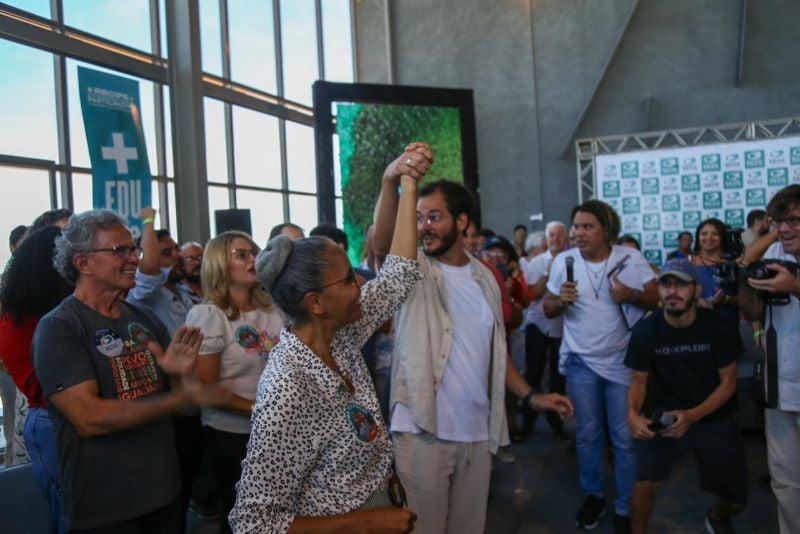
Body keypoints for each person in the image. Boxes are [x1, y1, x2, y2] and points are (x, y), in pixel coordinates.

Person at [373, 143, 573, 534]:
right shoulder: (414, 270)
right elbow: (382, 248)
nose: (424, 226)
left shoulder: (485, 278)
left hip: (477, 432)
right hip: (421, 430)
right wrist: (390, 182)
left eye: (434, 217)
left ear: (462, 221)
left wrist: (533, 396)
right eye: (419, 218)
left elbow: (496, 355)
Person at [228, 170, 424, 534]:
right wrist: (364, 522)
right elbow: (253, 523)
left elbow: (398, 275)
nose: (361, 283)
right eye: (349, 279)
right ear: (315, 302)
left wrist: (406, 182)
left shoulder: (340, 334)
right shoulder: (289, 389)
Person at [31, 209, 217, 532]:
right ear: (83, 263)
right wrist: (170, 401)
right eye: (121, 250)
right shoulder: (60, 328)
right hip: (107, 510)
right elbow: (90, 418)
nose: (134, 258)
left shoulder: (142, 319)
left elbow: (187, 404)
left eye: (134, 249)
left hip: (164, 495)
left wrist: (178, 376)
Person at [543, 199, 658, 532]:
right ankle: (594, 495)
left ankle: (625, 507)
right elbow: (548, 308)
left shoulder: (629, 258)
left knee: (624, 437)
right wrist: (559, 301)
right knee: (588, 434)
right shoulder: (564, 261)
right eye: (576, 226)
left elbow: (656, 298)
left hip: (623, 363)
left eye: (587, 227)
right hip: (581, 363)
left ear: (607, 229)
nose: (578, 233)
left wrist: (631, 296)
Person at [626, 258, 745, 534]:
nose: (672, 291)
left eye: (681, 284)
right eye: (666, 284)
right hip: (667, 414)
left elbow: (728, 384)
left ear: (697, 290)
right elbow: (637, 381)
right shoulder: (647, 330)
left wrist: (692, 416)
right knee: (643, 485)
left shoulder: (717, 327)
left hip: (714, 416)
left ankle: (716, 515)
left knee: (735, 500)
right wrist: (632, 414)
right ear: (658, 290)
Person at [185, 230, 283, 534]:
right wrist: (260, 409)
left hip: (279, 428)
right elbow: (207, 390)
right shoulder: (209, 315)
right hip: (232, 435)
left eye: (255, 252)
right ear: (218, 265)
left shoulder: (273, 308)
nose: (253, 259)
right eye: (242, 255)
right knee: (246, 519)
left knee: (282, 516)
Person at [0, 226, 73, 533]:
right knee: (71, 514)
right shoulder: (28, 323)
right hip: (54, 421)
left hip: (55, 417)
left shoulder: (30, 315)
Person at [739, 184, 800, 533]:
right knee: (787, 486)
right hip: (780, 391)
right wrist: (747, 283)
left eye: (793, 220)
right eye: (779, 221)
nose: (785, 229)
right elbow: (750, 310)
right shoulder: (774, 252)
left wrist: (794, 288)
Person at [522, 221, 568, 437]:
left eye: (560, 234)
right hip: (537, 325)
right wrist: (552, 274)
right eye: (552, 235)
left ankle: (556, 421)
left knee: (559, 376)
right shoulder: (537, 262)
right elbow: (534, 294)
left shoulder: (574, 260)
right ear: (546, 239)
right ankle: (528, 422)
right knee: (534, 374)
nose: (556, 238)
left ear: (566, 237)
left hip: (562, 325)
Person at [690, 219, 739, 329]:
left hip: (727, 324)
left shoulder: (733, 263)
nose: (709, 238)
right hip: (694, 324)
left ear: (722, 237)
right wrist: (696, 302)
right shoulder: (687, 263)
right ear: (698, 237)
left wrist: (726, 299)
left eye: (715, 234)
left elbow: (745, 300)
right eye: (704, 234)